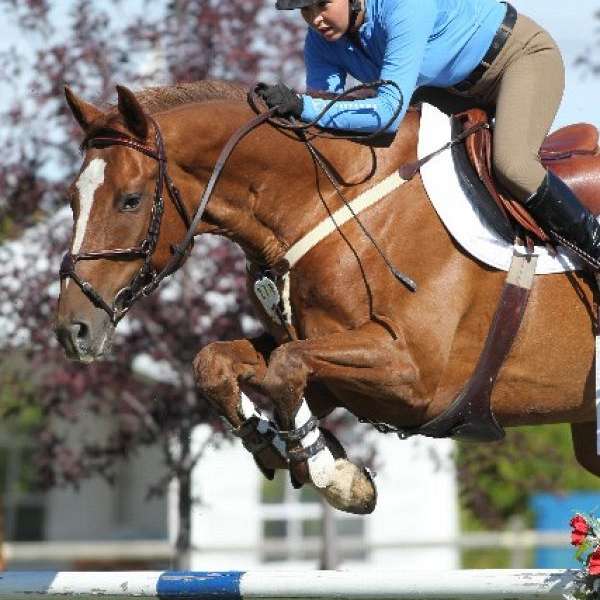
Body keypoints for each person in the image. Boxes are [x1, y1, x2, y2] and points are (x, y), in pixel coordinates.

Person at [257, 0, 600, 266]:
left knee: (512, 166)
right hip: (447, 88)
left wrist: (302, 106)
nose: (315, 18)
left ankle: (594, 248)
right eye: (304, 10)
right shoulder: (320, 43)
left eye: (321, 4)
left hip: (517, 59)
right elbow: (324, 117)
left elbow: (385, 113)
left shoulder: (403, 6)